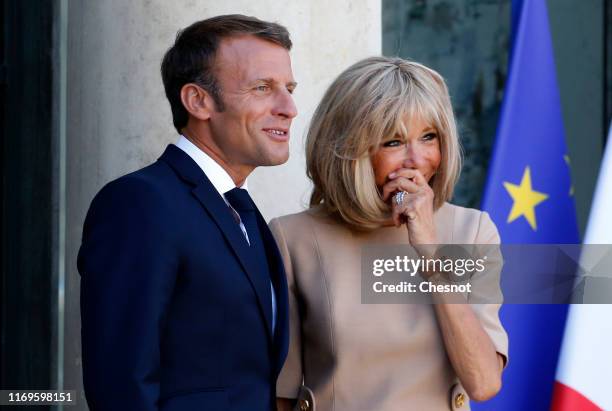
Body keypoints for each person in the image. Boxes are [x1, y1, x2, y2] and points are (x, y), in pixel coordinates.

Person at [78, 14, 297, 411]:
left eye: (289, 88)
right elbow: (121, 385)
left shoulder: (240, 210)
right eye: (263, 88)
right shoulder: (139, 204)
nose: (289, 108)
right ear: (199, 101)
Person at [272, 57, 507, 411]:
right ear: (351, 150)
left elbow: (484, 383)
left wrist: (430, 252)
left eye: (429, 137)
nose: (416, 159)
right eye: (393, 142)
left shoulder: (471, 230)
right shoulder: (293, 238)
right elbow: (283, 393)